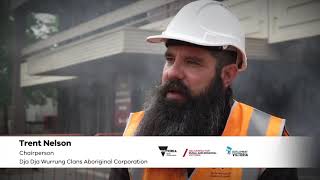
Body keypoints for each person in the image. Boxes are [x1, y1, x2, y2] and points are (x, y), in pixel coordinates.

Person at [110, 0, 298, 179]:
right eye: (169, 59)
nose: (172, 73)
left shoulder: (269, 139)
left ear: (227, 75)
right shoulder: (133, 133)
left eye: (192, 62)